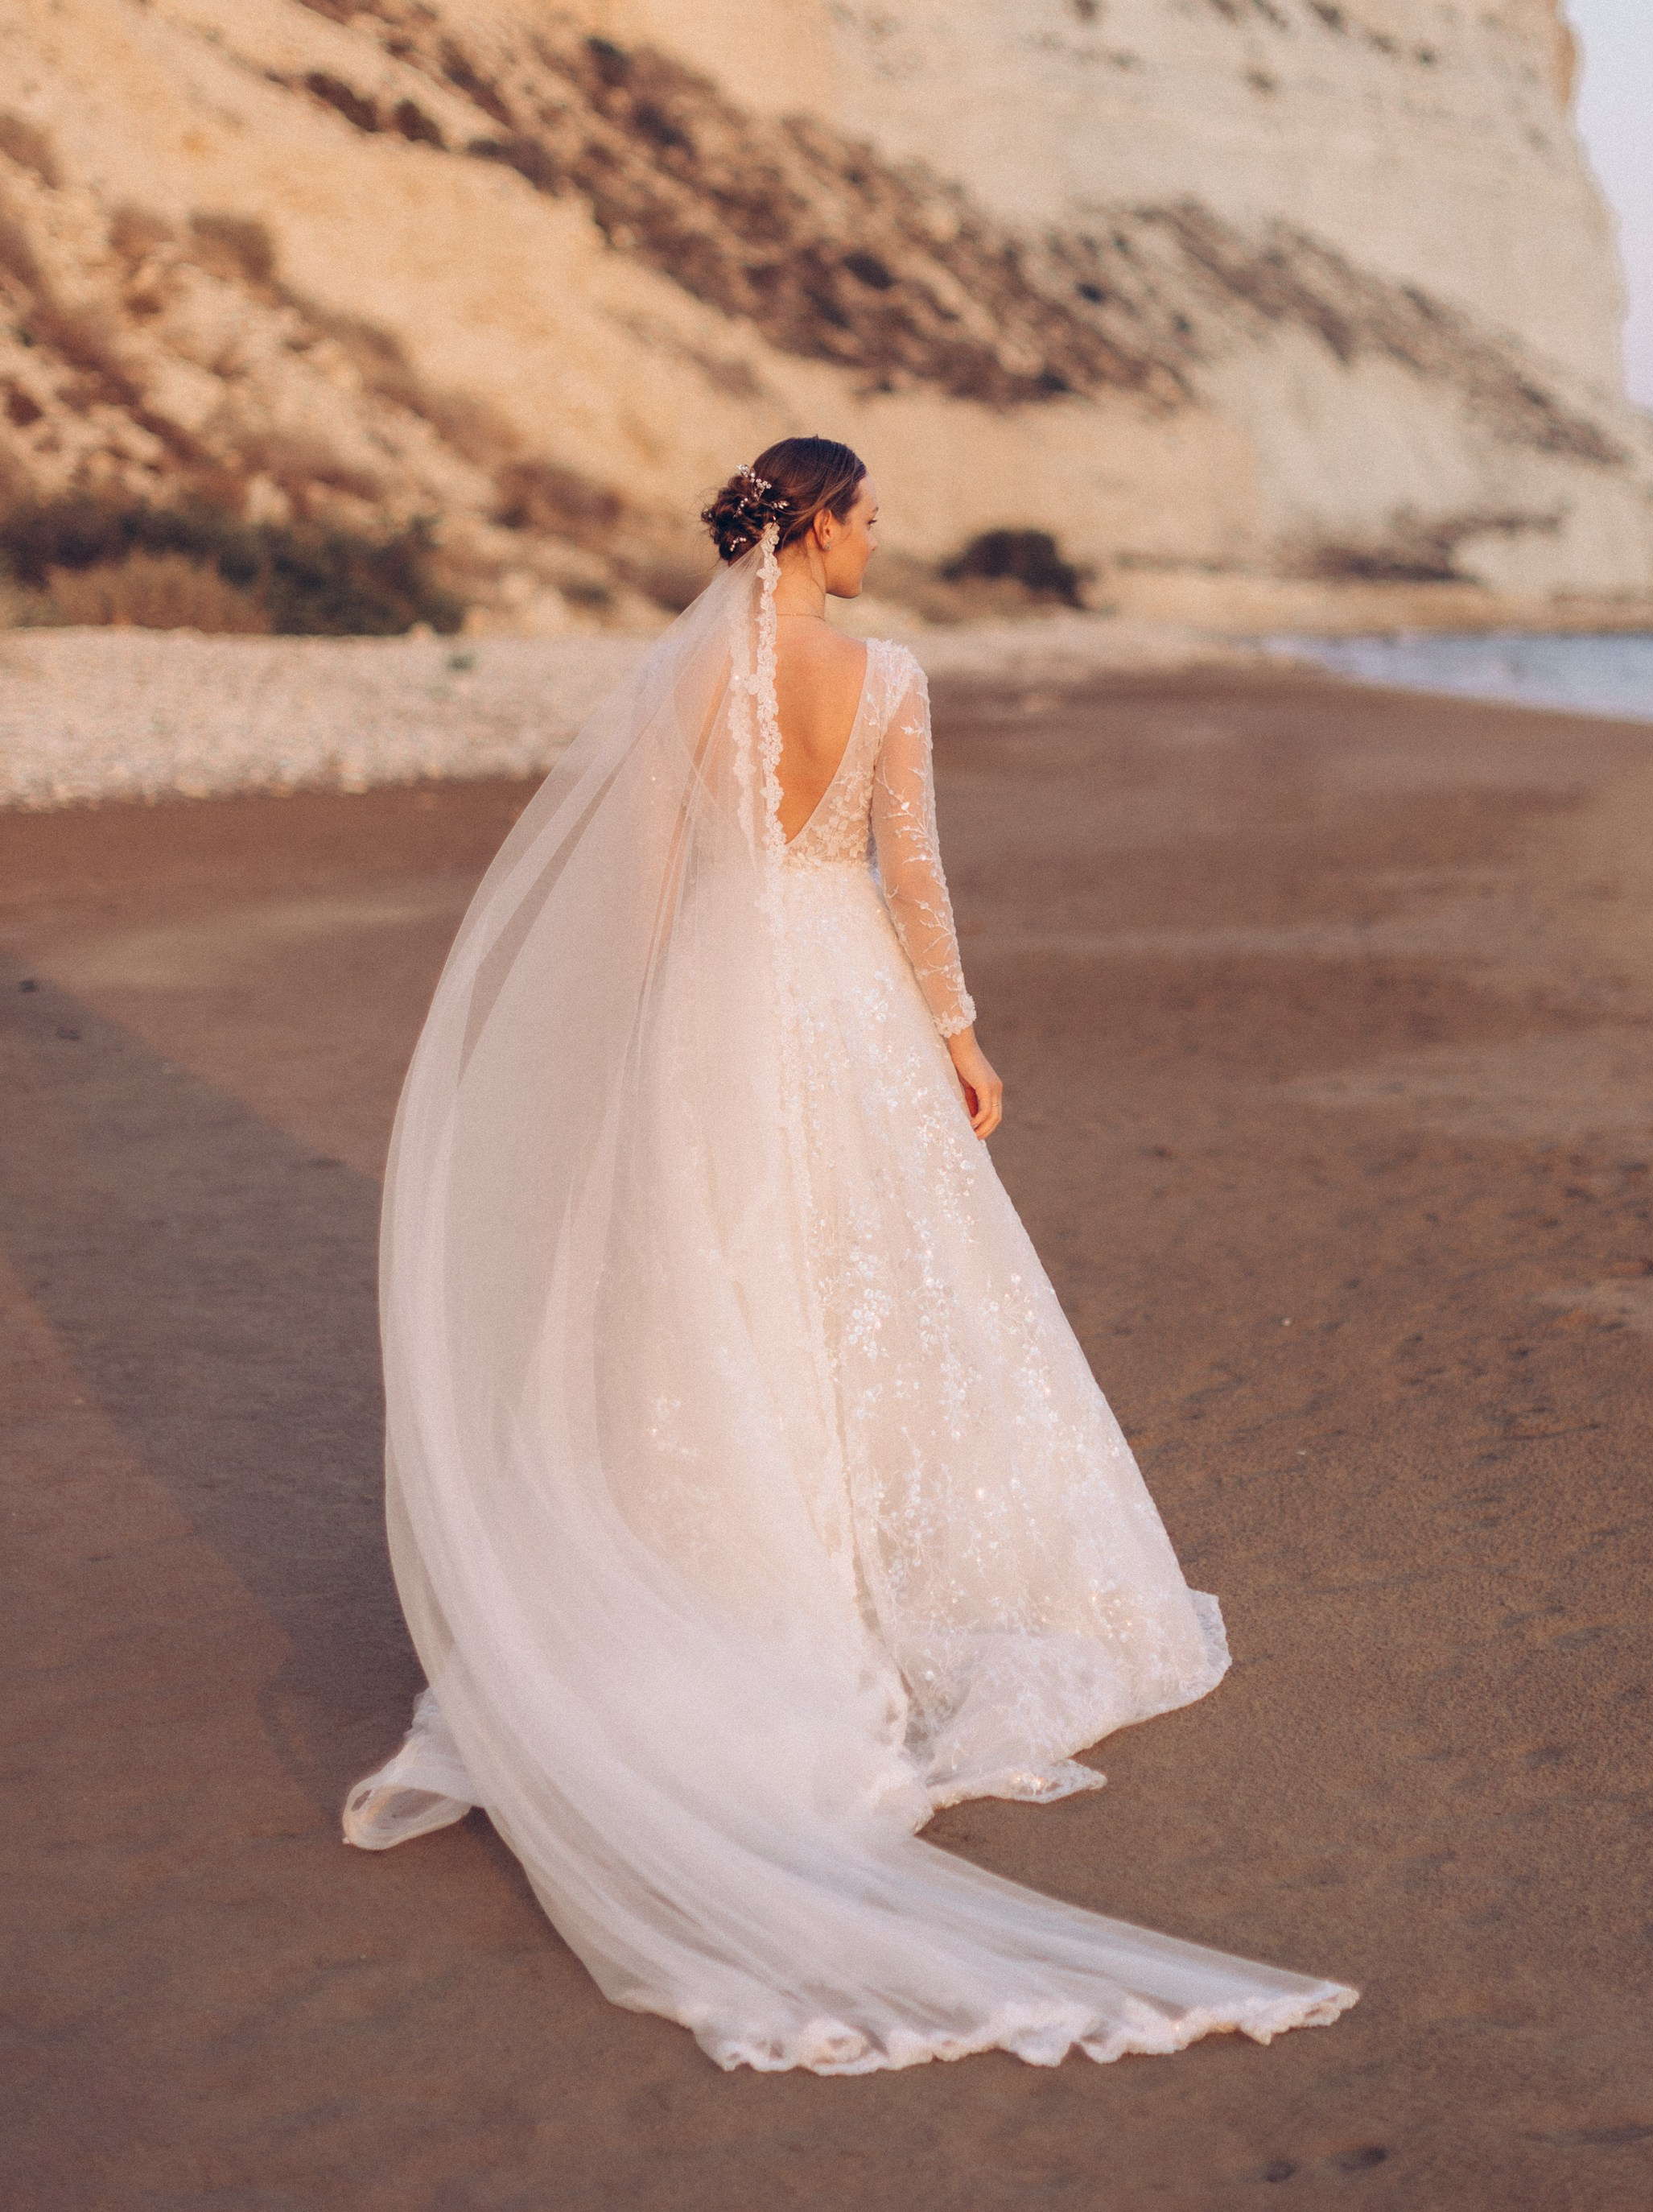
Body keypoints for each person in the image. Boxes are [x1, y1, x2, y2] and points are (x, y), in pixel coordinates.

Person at [344, 435, 1354, 2073]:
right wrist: (956, 1035)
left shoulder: (684, 683)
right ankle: (868, 1588)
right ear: (812, 526)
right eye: (870, 513)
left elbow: (657, 880)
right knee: (877, 1276)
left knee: (719, 1278)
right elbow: (912, 880)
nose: (885, 537)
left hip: (719, 1001)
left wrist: (645, 1034)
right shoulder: (885, 675)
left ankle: (727, 1568)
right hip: (841, 1000)